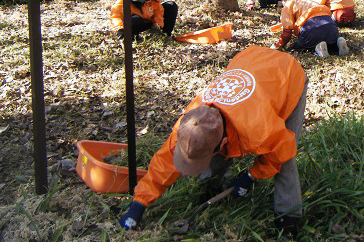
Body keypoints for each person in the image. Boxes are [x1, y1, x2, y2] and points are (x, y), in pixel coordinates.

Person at [118, 45, 308, 235]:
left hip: (287, 76)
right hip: (250, 60)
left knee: (284, 159)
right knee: (209, 143)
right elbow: (164, 161)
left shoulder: (259, 130)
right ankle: (211, 187)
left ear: (224, 142)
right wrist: (139, 203)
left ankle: (288, 219)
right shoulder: (191, 123)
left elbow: (282, 148)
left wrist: (251, 176)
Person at [273, 0, 349, 58]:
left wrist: (279, 45)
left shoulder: (288, 4)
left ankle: (317, 49)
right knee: (329, 40)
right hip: (330, 25)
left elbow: (287, 32)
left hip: (310, 29)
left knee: (300, 45)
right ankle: (337, 43)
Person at [110, 0, 177, 40]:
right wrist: (120, 29)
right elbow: (116, 15)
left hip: (150, 20)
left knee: (171, 5)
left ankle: (165, 34)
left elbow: (158, 10)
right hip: (137, 22)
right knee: (135, 19)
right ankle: (133, 38)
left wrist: (157, 24)